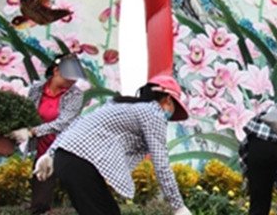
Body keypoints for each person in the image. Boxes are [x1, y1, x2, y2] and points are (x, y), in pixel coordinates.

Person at [32, 73, 192, 215]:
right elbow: (161, 162)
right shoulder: (153, 112)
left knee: (109, 211)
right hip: (79, 162)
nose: (170, 116)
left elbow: (78, 123)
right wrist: (178, 206)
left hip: (69, 159)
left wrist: (51, 153)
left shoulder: (121, 105)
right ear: (168, 99)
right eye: (174, 107)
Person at [8, 52, 88, 214]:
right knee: (41, 192)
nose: (72, 81)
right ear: (56, 71)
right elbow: (28, 113)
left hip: (66, 148)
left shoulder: (75, 94)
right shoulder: (36, 89)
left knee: (80, 190)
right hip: (43, 148)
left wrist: (34, 131)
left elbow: (64, 122)